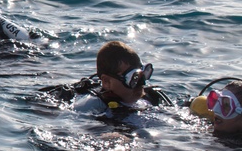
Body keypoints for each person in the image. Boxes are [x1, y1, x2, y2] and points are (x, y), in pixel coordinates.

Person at [39, 41, 171, 113]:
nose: (140, 84)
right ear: (107, 82)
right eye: (133, 78)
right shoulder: (92, 105)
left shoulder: (152, 97)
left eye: (143, 75)